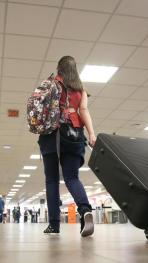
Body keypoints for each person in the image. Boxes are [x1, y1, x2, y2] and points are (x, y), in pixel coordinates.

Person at [37, 56, 96, 237]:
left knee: (52, 180)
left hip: (51, 135)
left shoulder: (51, 84)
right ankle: (85, 209)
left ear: (59, 68)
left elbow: (39, 106)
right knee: (72, 177)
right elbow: (83, 111)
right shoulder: (81, 90)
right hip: (73, 134)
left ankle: (54, 224)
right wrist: (92, 133)